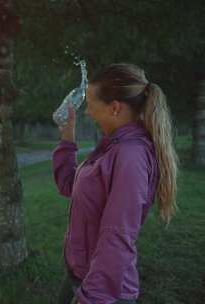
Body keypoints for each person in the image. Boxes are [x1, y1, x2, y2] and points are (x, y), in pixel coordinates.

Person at [52, 63, 178, 304]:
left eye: (90, 104)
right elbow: (70, 186)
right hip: (79, 277)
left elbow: (117, 235)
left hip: (103, 293)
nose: (87, 112)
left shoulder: (131, 157)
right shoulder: (112, 146)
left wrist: (92, 298)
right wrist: (67, 136)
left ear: (115, 108)